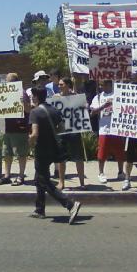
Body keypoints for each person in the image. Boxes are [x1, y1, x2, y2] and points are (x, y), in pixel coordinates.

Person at [27, 87, 81, 224]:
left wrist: (30, 141)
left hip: (41, 151)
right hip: (54, 149)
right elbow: (62, 128)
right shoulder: (54, 110)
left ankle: (69, 204)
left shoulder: (35, 112)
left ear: (37, 97)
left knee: (43, 180)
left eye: (33, 96)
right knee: (39, 177)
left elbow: (35, 134)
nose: (31, 98)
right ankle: (39, 210)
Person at [0, 73, 31, 186]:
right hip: (8, 128)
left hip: (20, 128)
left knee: (21, 154)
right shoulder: (5, 93)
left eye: (7, 82)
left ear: (14, 82)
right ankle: (7, 176)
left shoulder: (22, 93)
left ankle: (21, 176)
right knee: (7, 153)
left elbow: (29, 110)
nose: (6, 84)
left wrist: (23, 102)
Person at [55, 77, 86, 190]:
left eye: (61, 84)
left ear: (68, 85)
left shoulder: (76, 96)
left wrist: (83, 104)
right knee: (61, 158)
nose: (59, 86)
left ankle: (82, 183)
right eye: (59, 84)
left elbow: (83, 111)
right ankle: (61, 182)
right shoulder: (56, 97)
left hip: (74, 128)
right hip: (61, 129)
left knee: (78, 157)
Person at [91, 79, 125, 183]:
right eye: (101, 85)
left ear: (110, 85)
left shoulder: (118, 95)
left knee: (120, 152)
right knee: (102, 153)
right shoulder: (98, 97)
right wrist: (104, 106)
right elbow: (92, 112)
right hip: (104, 129)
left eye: (104, 85)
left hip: (117, 128)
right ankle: (101, 173)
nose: (102, 87)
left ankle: (120, 172)